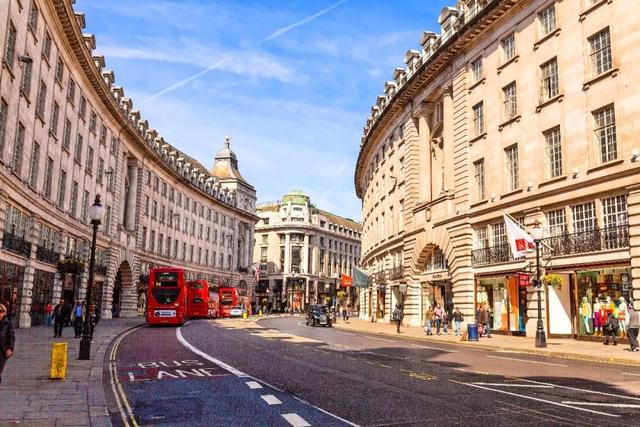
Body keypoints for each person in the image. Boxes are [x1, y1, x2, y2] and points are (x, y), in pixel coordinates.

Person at [0, 304, 15, 384]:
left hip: (2, 351)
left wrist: (10, 349)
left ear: (4, 313)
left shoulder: (8, 324)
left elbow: (12, 338)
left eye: (1, 312)